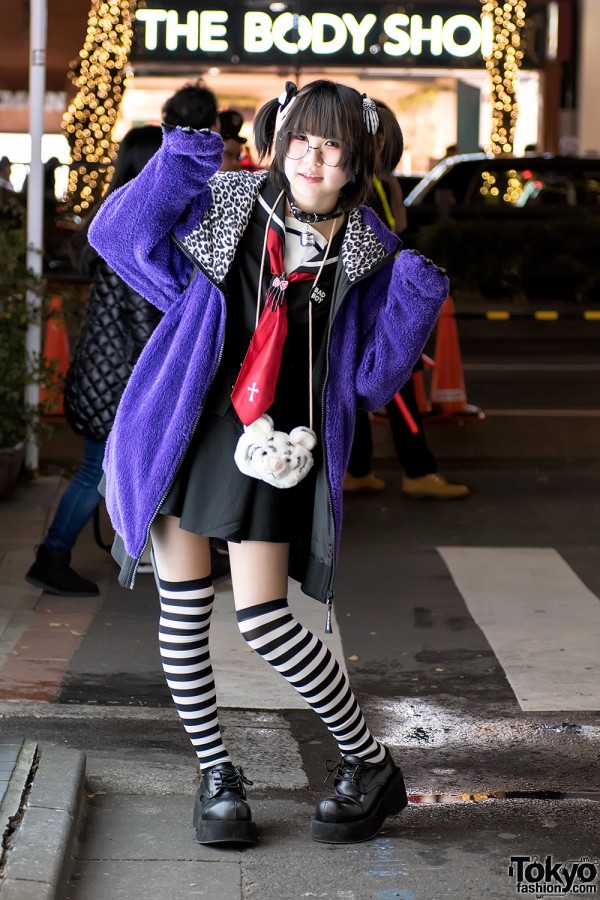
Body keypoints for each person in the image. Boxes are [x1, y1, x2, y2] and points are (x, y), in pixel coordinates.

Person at [88, 79, 449, 847]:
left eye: (334, 148)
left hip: (282, 446)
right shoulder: (228, 201)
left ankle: (370, 761)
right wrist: (182, 162)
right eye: (302, 141)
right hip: (190, 425)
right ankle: (218, 778)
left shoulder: (364, 245)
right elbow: (119, 239)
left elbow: (370, 381)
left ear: (357, 163)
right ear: (280, 141)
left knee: (262, 620)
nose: (313, 159)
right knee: (182, 614)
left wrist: (415, 297)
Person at [25, 126, 164, 597]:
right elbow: (145, 316)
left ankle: (62, 554)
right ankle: (53, 555)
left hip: (102, 373)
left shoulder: (115, 214)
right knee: (96, 472)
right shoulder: (137, 226)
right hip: (118, 378)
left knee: (103, 470)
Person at [345, 105, 469, 501]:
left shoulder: (362, 179)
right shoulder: (368, 182)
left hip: (363, 308)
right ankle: (418, 471)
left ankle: (358, 470)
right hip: (380, 311)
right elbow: (391, 238)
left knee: (359, 395)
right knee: (399, 394)